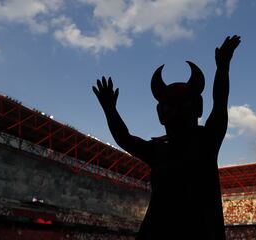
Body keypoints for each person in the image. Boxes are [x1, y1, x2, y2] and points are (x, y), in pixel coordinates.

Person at [93, 35, 241, 240]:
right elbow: (124, 138)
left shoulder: (206, 139)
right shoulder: (170, 148)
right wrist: (110, 110)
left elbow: (219, 101)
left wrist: (223, 68)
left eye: (183, 105)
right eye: (170, 106)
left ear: (197, 107)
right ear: (160, 114)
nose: (176, 112)